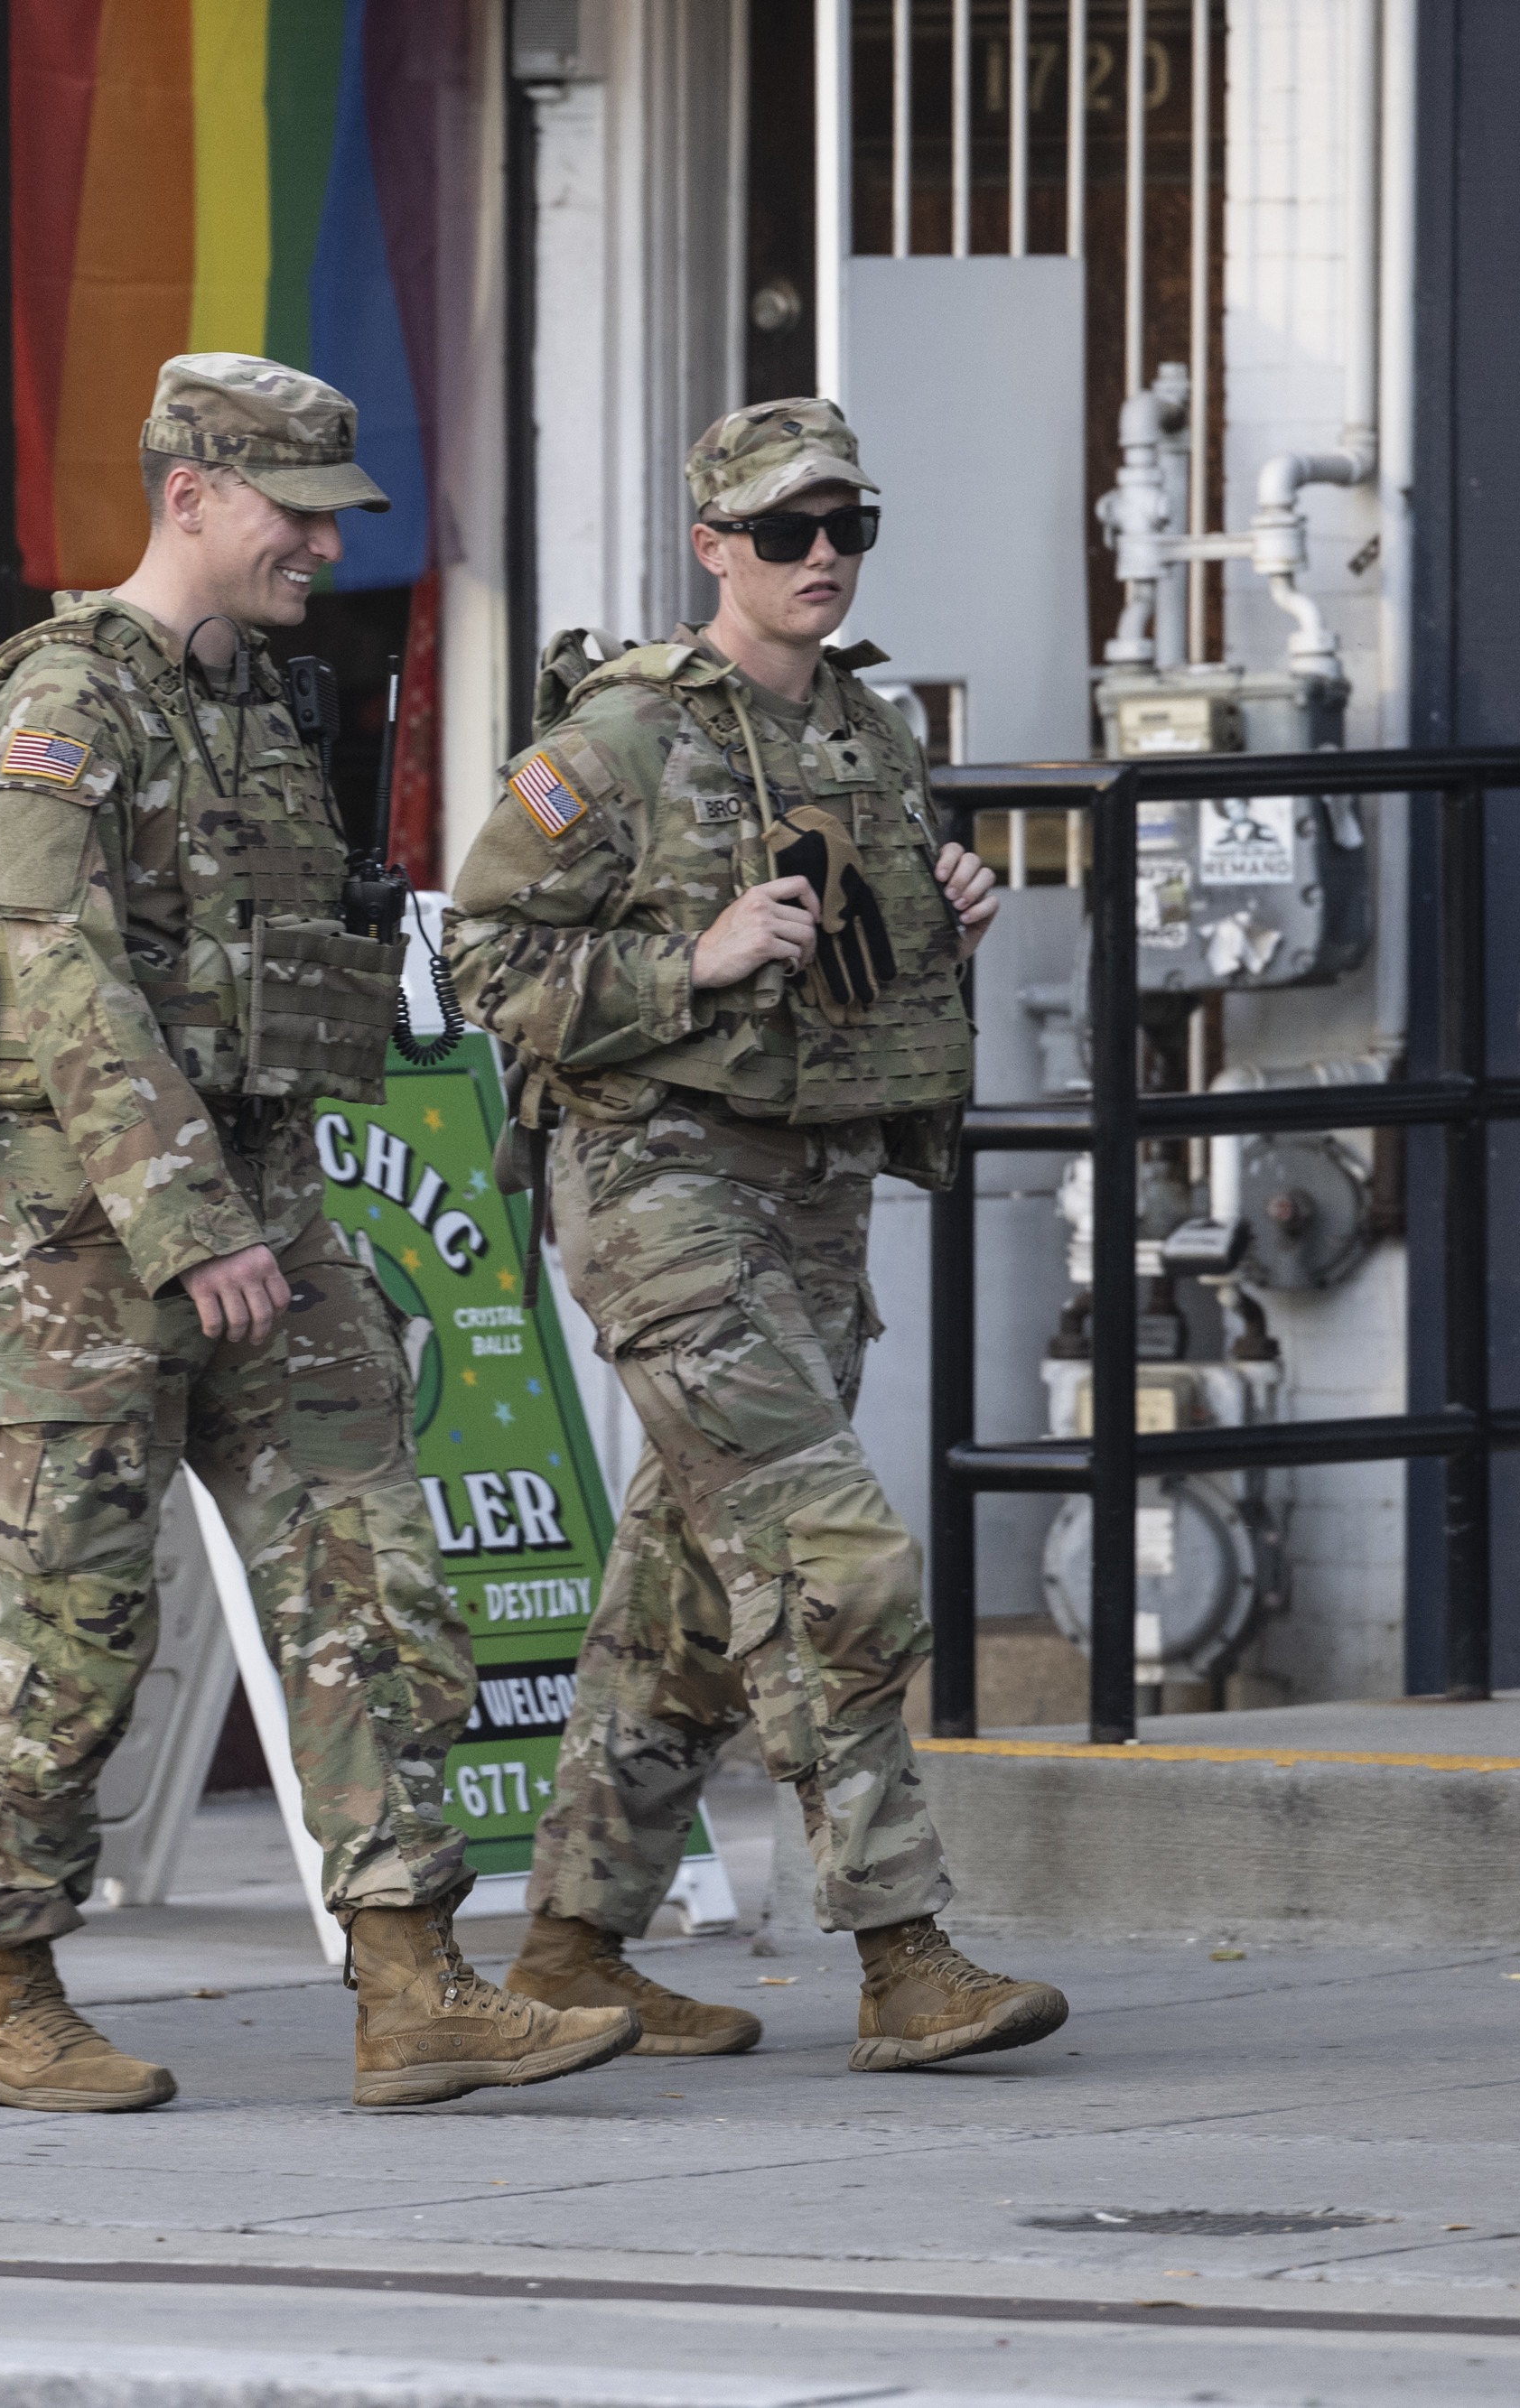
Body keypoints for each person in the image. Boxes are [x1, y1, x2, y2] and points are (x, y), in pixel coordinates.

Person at [0, 354, 640, 2113]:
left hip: (275, 1202)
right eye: (294, 509)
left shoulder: (256, 707)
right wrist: (183, 1219)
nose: (323, 539)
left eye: (332, 510)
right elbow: (52, 973)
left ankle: (408, 1977)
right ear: (188, 496)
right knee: (72, 1610)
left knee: (363, 1573)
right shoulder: (59, 707)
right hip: (87, 1235)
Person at [443, 398, 1071, 2073]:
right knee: (829, 1558)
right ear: (711, 544)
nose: (820, 560)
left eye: (844, 528)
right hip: (658, 1190)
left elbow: (863, 978)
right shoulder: (619, 738)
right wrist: (689, 964)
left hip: (810, 1193)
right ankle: (903, 1951)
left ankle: (574, 1949)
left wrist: (946, 928)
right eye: (784, 532)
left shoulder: (871, 729)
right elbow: (476, 964)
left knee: (689, 1593)